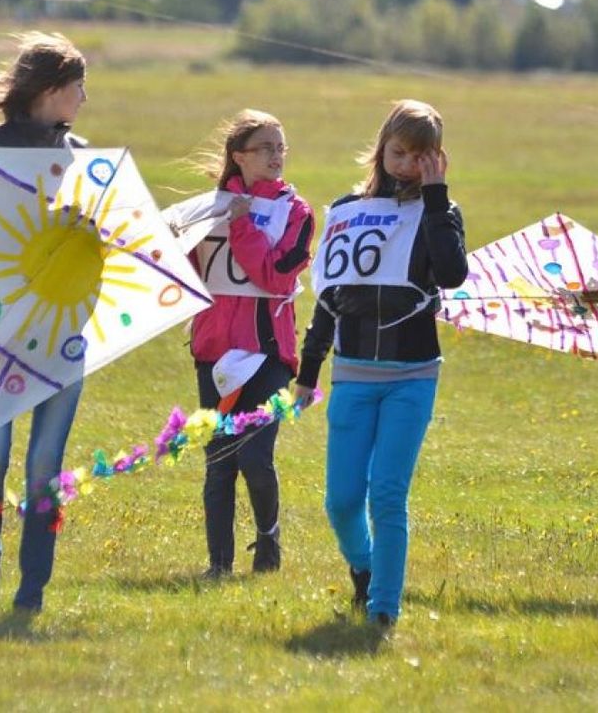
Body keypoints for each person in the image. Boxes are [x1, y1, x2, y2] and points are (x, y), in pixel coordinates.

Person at [293, 99, 467, 627]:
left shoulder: (441, 213)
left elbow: (453, 273)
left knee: (388, 494)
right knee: (342, 501)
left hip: (412, 377)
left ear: (435, 160)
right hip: (351, 375)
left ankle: (384, 610)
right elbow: (327, 299)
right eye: (397, 153)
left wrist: (436, 199)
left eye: (419, 158)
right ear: (380, 148)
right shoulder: (347, 211)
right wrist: (308, 372)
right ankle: (365, 570)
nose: (406, 166)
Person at [0, 32, 89, 614]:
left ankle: (32, 588)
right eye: (78, 87)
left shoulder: (86, 160)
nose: (83, 99)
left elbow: (113, 242)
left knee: (44, 467)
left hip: (64, 327)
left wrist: (86, 225)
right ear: (50, 91)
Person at [166, 110, 314, 577]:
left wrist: (241, 225)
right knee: (219, 460)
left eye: (280, 147)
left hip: (269, 353)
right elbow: (181, 275)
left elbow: (274, 276)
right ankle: (218, 565)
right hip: (213, 351)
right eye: (266, 148)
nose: (276, 156)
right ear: (239, 157)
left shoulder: (297, 212)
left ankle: (268, 542)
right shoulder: (207, 207)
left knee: (254, 454)